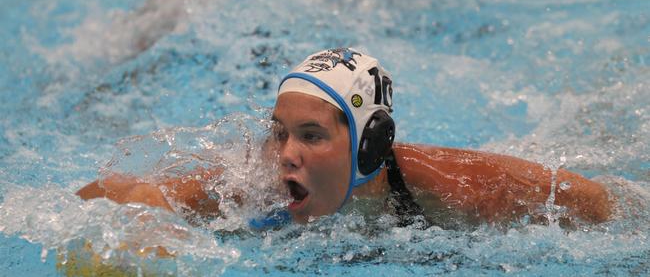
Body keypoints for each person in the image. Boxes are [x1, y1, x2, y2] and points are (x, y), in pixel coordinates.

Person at [78, 48, 612, 228]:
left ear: (369, 146)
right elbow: (108, 196)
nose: (286, 154)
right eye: (280, 133)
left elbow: (603, 207)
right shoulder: (255, 185)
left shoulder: (462, 188)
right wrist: (143, 231)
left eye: (311, 135)